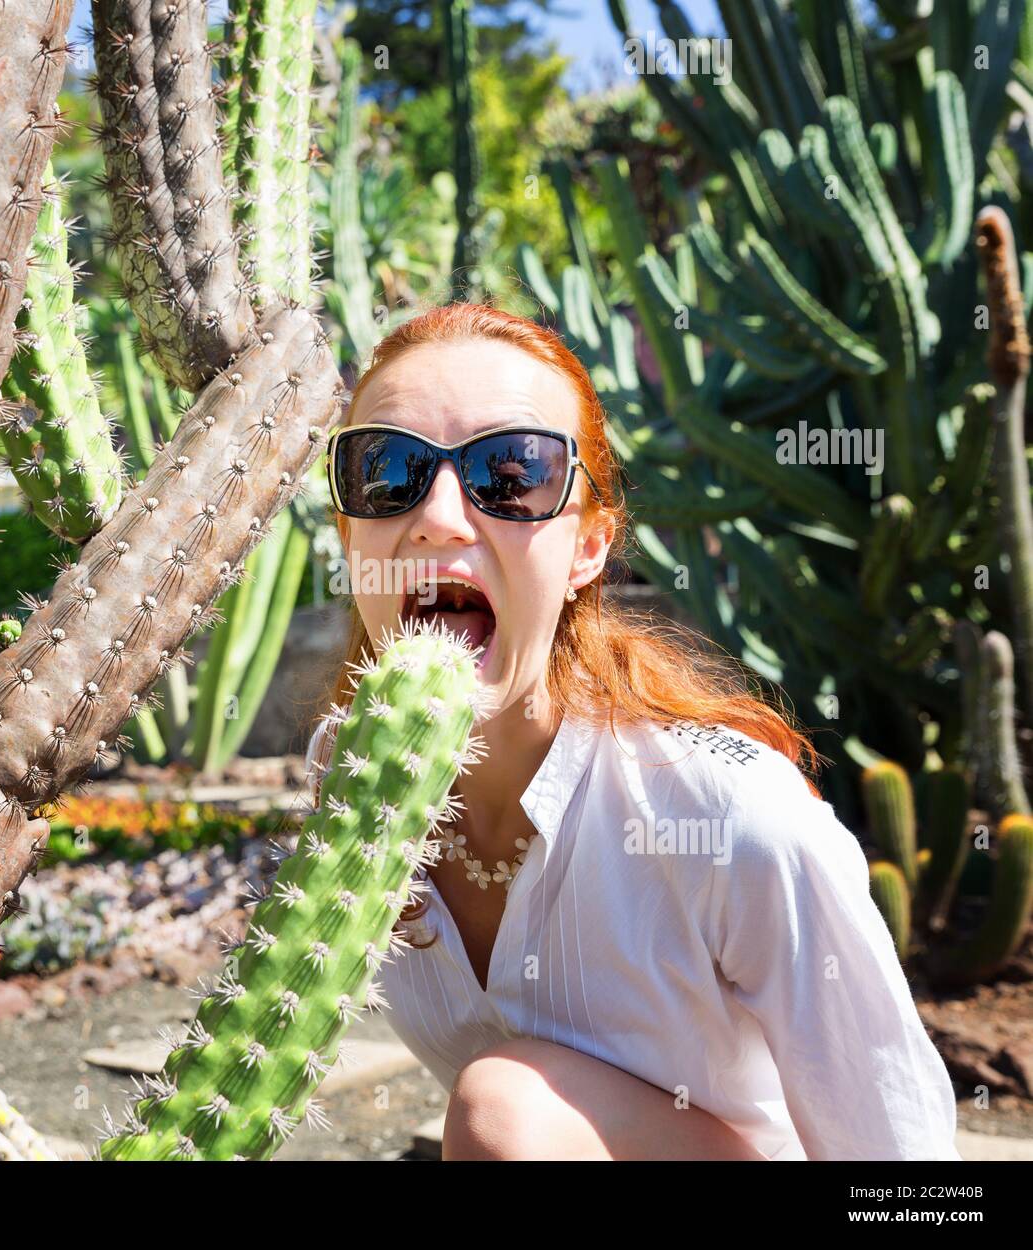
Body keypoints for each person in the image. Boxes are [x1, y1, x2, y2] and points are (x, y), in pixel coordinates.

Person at [303, 300, 960, 1161]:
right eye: (387, 469)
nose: (439, 516)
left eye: (512, 471)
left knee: (504, 1114)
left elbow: (908, 1172)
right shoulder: (347, 778)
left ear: (588, 549)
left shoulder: (729, 816)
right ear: (351, 532)